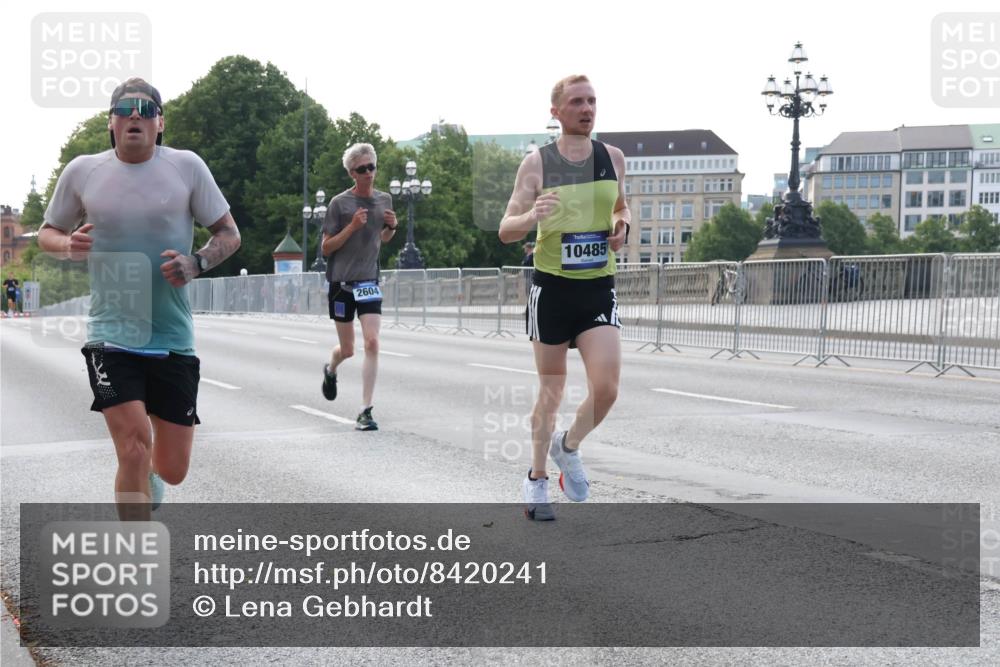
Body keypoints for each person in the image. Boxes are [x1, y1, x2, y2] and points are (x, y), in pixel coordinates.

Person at [38, 78, 241, 519]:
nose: (135, 115)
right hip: (111, 334)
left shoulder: (186, 167)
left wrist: (197, 263)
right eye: (125, 108)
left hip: (172, 335)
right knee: (132, 447)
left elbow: (228, 233)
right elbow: (47, 232)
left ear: (160, 123)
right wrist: (67, 245)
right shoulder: (83, 171)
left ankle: (150, 475)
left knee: (172, 468)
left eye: (146, 110)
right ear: (111, 122)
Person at [499, 75, 629, 521]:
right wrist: (531, 215)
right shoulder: (537, 163)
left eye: (592, 100)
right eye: (576, 101)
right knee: (551, 391)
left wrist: (622, 227)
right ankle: (536, 480)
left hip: (597, 287)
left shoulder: (612, 158)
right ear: (555, 111)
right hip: (552, 289)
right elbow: (505, 228)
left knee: (607, 389)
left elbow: (620, 207)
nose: (586, 108)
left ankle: (567, 447)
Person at [320, 143, 398, 431]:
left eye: (372, 167)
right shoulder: (339, 204)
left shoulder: (384, 200)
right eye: (362, 169)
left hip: (369, 281)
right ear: (352, 173)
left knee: (373, 342)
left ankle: (365, 409)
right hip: (341, 283)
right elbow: (326, 248)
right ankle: (331, 368)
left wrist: (392, 226)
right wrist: (351, 227)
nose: (368, 173)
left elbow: (383, 239)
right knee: (349, 349)